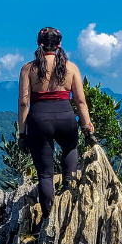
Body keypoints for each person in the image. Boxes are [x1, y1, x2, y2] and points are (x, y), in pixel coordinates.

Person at [16, 27, 95, 219]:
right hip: (66, 118)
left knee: (45, 175)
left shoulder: (29, 68)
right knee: (70, 148)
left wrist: (22, 134)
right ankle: (68, 187)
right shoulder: (71, 68)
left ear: (38, 43)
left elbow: (24, 103)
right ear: (59, 44)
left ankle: (48, 217)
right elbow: (81, 102)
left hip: (39, 120)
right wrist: (88, 129)